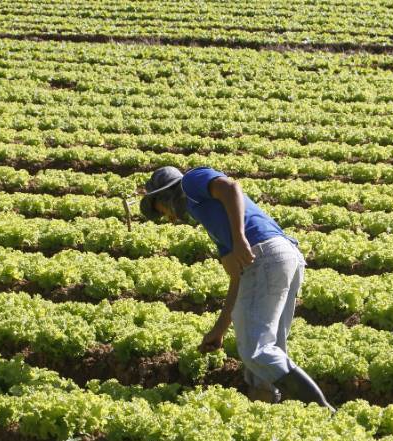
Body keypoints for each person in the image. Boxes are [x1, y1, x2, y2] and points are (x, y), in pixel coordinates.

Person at [140, 166, 334, 411]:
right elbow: (238, 278)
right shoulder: (211, 220)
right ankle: (265, 410)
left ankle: (321, 409)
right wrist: (219, 329)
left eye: (162, 210)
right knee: (267, 354)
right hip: (284, 258)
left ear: (165, 195)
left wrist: (240, 237)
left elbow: (231, 187)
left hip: (266, 255)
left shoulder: (190, 182)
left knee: (256, 350)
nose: (168, 218)